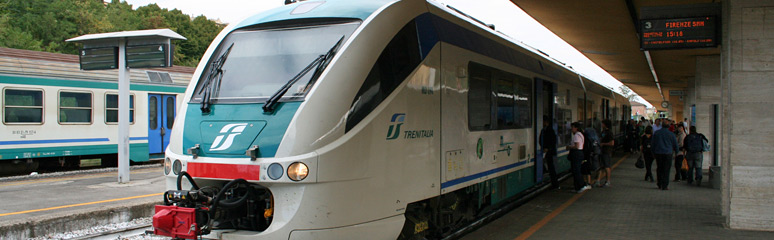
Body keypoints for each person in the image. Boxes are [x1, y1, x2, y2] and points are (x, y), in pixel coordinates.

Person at [652, 120, 679, 190]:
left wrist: (653, 153)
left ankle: (659, 183)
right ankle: (665, 185)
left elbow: (653, 144)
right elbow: (675, 144)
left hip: (658, 153)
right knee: (666, 169)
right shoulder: (671, 134)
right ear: (669, 126)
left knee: (659, 168)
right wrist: (677, 152)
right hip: (668, 153)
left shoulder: (657, 133)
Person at [567, 122, 590, 193]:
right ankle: (577, 187)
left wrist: (569, 147)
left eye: (572, 127)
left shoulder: (577, 135)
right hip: (580, 153)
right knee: (576, 170)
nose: (571, 129)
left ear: (576, 128)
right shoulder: (581, 134)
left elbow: (577, 146)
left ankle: (581, 185)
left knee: (576, 170)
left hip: (576, 153)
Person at [540, 116, 559, 189]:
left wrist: (548, 148)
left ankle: (555, 184)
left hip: (550, 151)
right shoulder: (545, 130)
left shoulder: (550, 130)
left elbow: (553, 141)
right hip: (548, 151)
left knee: (551, 168)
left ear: (546, 122)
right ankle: (554, 183)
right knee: (550, 167)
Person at [595, 119, 614, 187]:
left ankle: (608, 181)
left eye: (602, 123)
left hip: (607, 151)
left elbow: (612, 143)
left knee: (607, 166)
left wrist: (603, 144)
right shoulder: (603, 131)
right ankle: (598, 180)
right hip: (602, 151)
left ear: (605, 124)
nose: (601, 125)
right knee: (601, 166)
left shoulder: (609, 132)